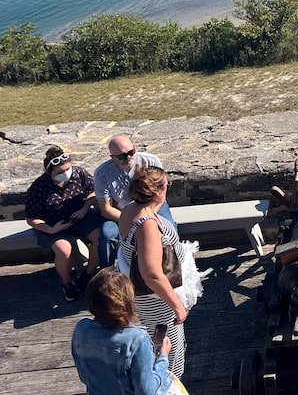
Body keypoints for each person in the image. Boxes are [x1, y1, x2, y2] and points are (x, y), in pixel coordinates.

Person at [119, 166, 188, 378]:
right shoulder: (148, 224)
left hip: (145, 297)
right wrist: (178, 306)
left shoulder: (129, 209)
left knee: (153, 346)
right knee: (167, 351)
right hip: (157, 301)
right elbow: (151, 274)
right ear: (159, 190)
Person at [71, 267, 174, 395]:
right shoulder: (137, 338)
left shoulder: (82, 328)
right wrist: (163, 357)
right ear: (127, 302)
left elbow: (84, 377)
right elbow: (146, 391)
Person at [25, 146, 103, 301]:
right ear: (50, 173)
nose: (65, 174)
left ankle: (88, 274)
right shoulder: (38, 188)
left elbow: (94, 191)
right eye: (59, 172)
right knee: (63, 249)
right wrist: (52, 229)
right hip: (53, 224)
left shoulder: (79, 173)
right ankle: (67, 282)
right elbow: (32, 218)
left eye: (67, 169)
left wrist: (84, 208)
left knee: (101, 237)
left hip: (79, 217)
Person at [93, 135, 173, 268]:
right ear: (112, 157)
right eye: (123, 156)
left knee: (169, 228)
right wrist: (132, 220)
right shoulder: (102, 173)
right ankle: (109, 274)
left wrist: (146, 218)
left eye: (131, 152)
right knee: (108, 236)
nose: (129, 158)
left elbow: (161, 194)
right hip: (120, 212)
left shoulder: (151, 161)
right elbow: (106, 209)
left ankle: (168, 266)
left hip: (153, 205)